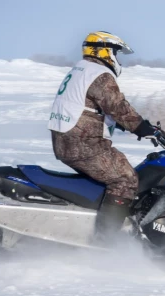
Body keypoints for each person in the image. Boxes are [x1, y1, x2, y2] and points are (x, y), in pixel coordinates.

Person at [47, 31, 157, 240]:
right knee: (125, 179)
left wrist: (122, 125)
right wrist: (141, 127)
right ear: (104, 51)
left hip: (68, 140)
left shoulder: (81, 70)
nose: (117, 58)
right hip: (83, 144)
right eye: (116, 53)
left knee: (108, 177)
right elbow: (117, 106)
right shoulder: (99, 74)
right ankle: (106, 240)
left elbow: (89, 107)